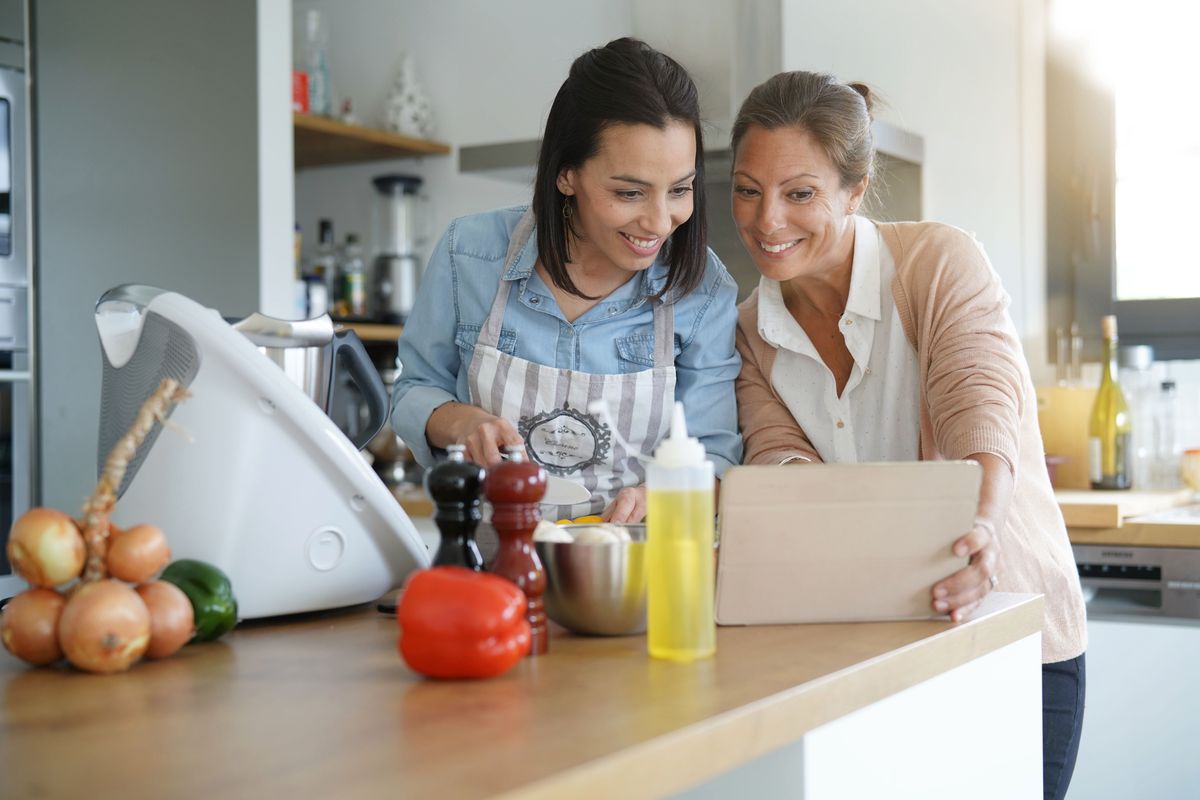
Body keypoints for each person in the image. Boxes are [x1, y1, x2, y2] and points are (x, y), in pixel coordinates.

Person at [729, 71, 1086, 800]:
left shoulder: (937, 262)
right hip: (869, 664)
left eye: (799, 193)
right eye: (746, 189)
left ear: (856, 192)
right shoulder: (747, 331)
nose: (767, 220)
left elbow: (979, 409)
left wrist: (981, 527)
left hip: (1009, 640)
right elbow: (777, 461)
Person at [392, 38, 742, 524]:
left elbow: (716, 455)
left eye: (680, 190)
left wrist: (667, 495)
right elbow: (413, 388)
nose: (660, 222)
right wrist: (461, 422)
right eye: (630, 192)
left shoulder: (703, 290)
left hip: (630, 576)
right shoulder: (469, 254)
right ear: (566, 174)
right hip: (488, 577)